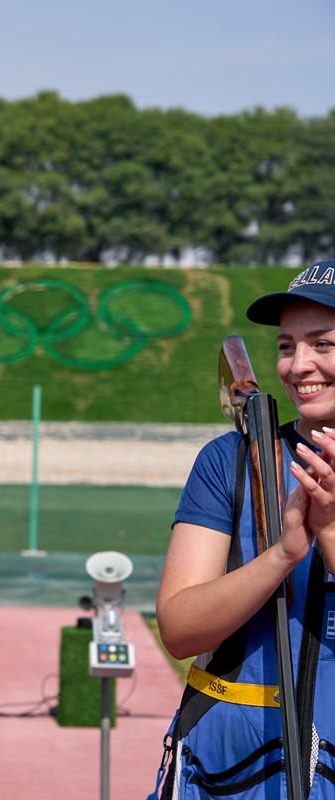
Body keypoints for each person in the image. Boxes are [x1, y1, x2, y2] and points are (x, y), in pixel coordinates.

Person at [155, 259, 335, 799]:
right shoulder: (231, 460)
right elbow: (180, 629)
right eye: (286, 346)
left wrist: (327, 529)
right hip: (230, 764)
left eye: (322, 344)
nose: (299, 365)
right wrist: (280, 555)